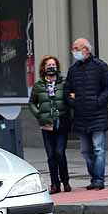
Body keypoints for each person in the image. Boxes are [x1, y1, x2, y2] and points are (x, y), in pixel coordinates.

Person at [64, 38, 108, 190]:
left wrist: (98, 102)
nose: (74, 51)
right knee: (86, 151)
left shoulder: (100, 66)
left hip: (97, 115)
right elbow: (67, 90)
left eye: (76, 48)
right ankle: (93, 177)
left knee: (98, 148)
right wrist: (74, 103)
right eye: (73, 49)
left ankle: (99, 179)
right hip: (81, 116)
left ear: (86, 50)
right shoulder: (73, 70)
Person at [28, 55, 71, 194]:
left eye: (53, 65)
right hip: (46, 124)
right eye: (48, 65)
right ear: (44, 68)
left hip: (61, 122)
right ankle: (55, 184)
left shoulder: (63, 83)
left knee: (59, 152)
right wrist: (39, 114)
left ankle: (65, 181)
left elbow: (69, 100)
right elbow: (32, 103)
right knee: (51, 155)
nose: (51, 67)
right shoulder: (39, 85)